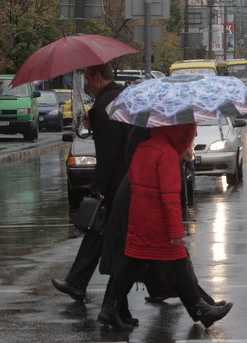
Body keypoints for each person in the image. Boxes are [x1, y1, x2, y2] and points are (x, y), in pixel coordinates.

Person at [97, 124, 233, 330]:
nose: (193, 136)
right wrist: (176, 231)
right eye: (191, 132)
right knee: (174, 260)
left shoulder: (144, 148)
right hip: (157, 221)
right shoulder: (167, 154)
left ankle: (110, 308)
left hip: (138, 216)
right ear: (181, 132)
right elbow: (169, 199)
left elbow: (135, 181)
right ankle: (201, 310)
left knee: (132, 262)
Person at [51, 63, 131, 302]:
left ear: (97, 77)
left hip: (118, 184)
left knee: (134, 243)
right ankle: (76, 283)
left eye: (87, 79)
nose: (86, 85)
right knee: (98, 231)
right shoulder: (118, 99)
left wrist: (98, 187)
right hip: (125, 180)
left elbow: (108, 151)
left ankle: (175, 290)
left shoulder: (105, 104)